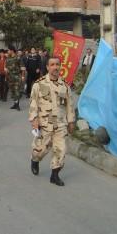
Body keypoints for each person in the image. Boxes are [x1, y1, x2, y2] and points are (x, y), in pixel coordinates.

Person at [29, 56, 76, 186]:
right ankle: (35, 160)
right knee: (40, 150)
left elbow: (69, 105)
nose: (55, 67)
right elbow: (33, 102)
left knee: (60, 150)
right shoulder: (39, 84)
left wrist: (71, 121)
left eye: (57, 64)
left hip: (60, 124)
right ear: (48, 67)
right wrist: (34, 119)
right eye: (52, 65)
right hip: (44, 123)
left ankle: (54, 175)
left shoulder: (65, 86)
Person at [5, 46, 26, 110]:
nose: (7, 52)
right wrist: (6, 74)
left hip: (17, 76)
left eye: (8, 50)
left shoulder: (18, 58)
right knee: (13, 91)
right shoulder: (8, 58)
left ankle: (17, 105)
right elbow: (6, 67)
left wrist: (22, 76)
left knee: (17, 90)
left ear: (12, 50)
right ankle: (15, 104)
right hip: (10, 77)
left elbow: (23, 68)